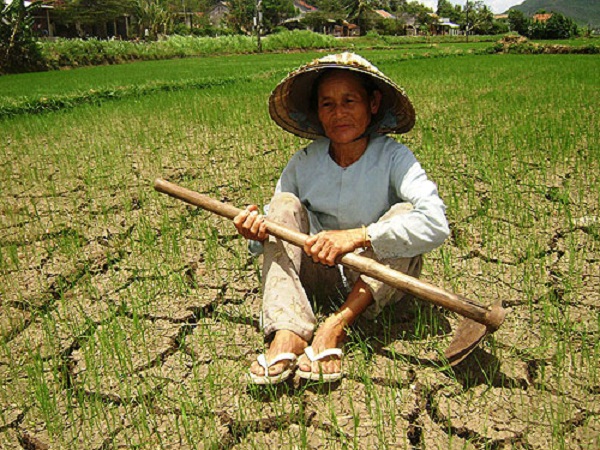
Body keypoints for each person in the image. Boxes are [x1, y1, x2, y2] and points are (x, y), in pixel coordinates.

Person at [233, 52, 449, 384]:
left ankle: (337, 325)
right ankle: (288, 329)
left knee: (405, 214)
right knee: (282, 205)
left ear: (373, 103)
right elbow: (277, 230)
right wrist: (256, 234)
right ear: (317, 113)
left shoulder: (394, 157)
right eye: (327, 104)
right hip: (319, 273)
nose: (339, 113)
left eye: (350, 100)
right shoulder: (304, 162)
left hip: (377, 278)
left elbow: (435, 223)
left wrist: (360, 236)